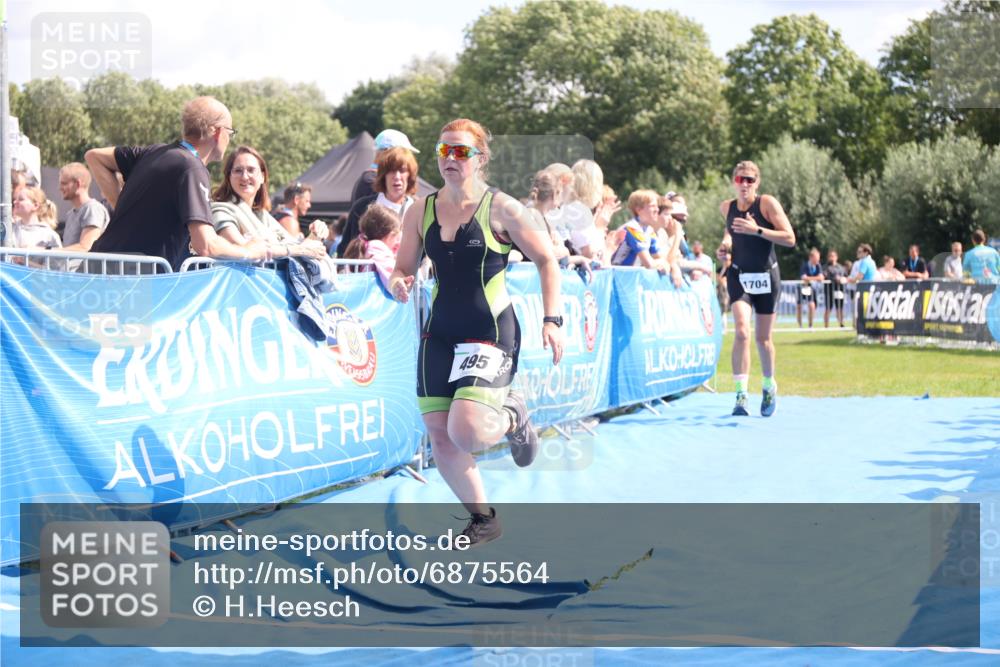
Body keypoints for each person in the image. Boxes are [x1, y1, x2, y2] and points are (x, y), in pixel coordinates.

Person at [388, 118, 564, 546]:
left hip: (489, 329)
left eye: (461, 151)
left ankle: (511, 415)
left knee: (464, 430)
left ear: (480, 158)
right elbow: (403, 266)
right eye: (443, 150)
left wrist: (552, 319)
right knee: (438, 433)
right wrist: (397, 280)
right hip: (441, 332)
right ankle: (484, 518)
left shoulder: (503, 208)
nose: (450, 159)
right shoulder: (419, 210)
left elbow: (547, 260)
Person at [86, 96, 271, 270]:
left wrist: (122, 208)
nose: (229, 139)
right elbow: (206, 245)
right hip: (133, 281)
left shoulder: (154, 152)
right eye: (230, 132)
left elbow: (94, 157)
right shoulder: (193, 168)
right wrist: (249, 251)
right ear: (217, 131)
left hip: (99, 268)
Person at [716, 160, 796, 418]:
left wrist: (758, 230)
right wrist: (725, 248)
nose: (745, 184)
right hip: (739, 276)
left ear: (757, 183)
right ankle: (740, 395)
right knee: (741, 331)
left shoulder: (767, 204)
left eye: (750, 180)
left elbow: (790, 238)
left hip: (766, 277)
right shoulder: (726, 207)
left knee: (763, 339)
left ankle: (768, 385)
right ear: (733, 182)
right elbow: (730, 234)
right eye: (740, 179)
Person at [210, 145, 326, 258]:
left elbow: (294, 246)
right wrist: (301, 249)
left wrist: (315, 233)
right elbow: (244, 250)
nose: (245, 176)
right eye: (238, 170)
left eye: (251, 170)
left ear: (262, 177)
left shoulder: (263, 215)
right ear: (229, 177)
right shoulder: (220, 210)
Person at [337, 147, 418, 257]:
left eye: (402, 170)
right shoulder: (362, 207)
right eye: (391, 170)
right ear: (383, 175)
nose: (397, 176)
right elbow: (345, 249)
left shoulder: (419, 209)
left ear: (410, 175)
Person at [350, 129, 421, 207]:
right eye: (402, 152)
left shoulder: (368, 178)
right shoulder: (370, 180)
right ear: (387, 152)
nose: (406, 157)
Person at [340, 205, 401, 288]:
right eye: (396, 237)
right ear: (390, 235)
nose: (397, 242)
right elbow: (390, 273)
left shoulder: (366, 245)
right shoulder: (378, 248)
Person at [610, 190, 669, 273]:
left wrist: (662, 262)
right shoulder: (632, 228)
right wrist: (662, 263)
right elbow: (649, 264)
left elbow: (660, 258)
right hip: (616, 277)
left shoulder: (648, 229)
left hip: (628, 278)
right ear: (638, 210)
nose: (657, 210)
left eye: (657, 206)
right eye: (653, 206)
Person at [58, 162, 109, 252]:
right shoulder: (71, 213)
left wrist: (49, 251)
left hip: (82, 266)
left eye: (64, 183)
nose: (60, 188)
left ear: (78, 184)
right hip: (67, 265)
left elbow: (86, 247)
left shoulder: (92, 209)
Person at [797, 248, 823, 328]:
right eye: (816, 258)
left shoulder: (818, 266)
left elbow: (821, 278)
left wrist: (810, 278)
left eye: (818, 258)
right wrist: (816, 278)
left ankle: (810, 325)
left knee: (812, 306)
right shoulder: (804, 265)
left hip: (812, 289)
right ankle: (800, 325)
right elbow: (804, 278)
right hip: (802, 288)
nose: (818, 260)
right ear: (811, 257)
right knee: (799, 306)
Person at [822, 249, 847, 328]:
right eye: (830, 256)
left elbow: (845, 276)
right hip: (829, 290)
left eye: (833, 256)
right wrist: (834, 278)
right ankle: (826, 326)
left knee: (840, 308)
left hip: (839, 290)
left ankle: (841, 324)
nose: (831, 258)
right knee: (828, 308)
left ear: (836, 257)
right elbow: (825, 275)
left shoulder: (841, 267)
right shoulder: (825, 267)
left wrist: (841, 279)